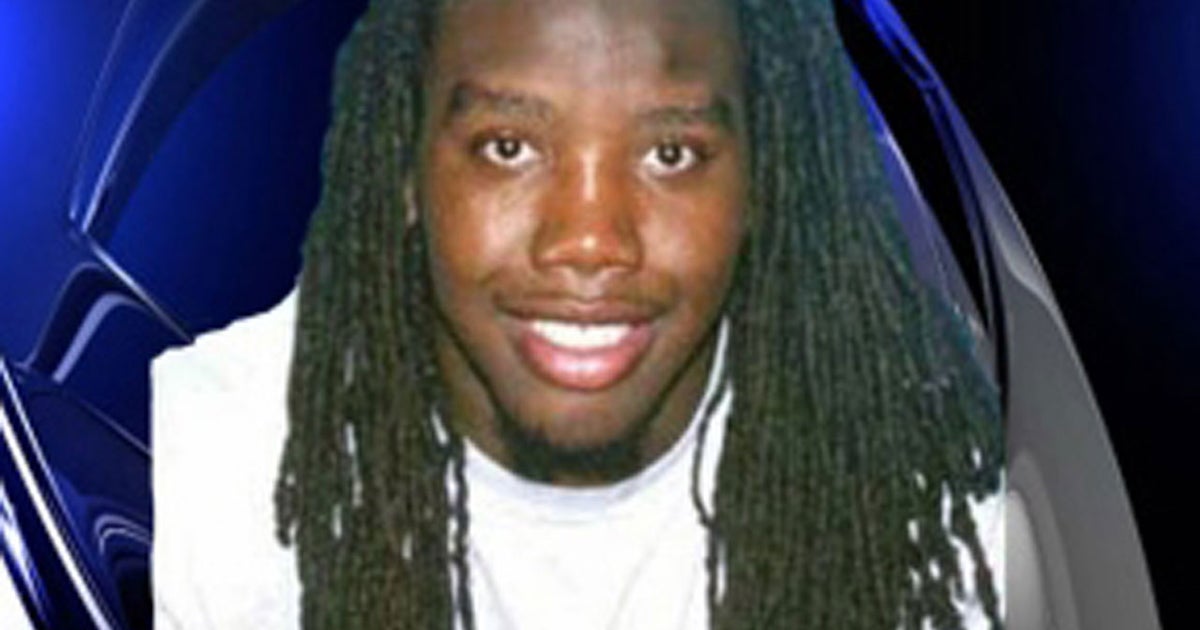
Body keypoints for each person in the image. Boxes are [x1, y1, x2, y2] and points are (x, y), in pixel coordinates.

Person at [153, 0, 1004, 628]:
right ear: (403, 163)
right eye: (508, 147)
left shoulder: (931, 498)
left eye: (671, 154)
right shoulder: (192, 465)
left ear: (764, 179)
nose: (590, 240)